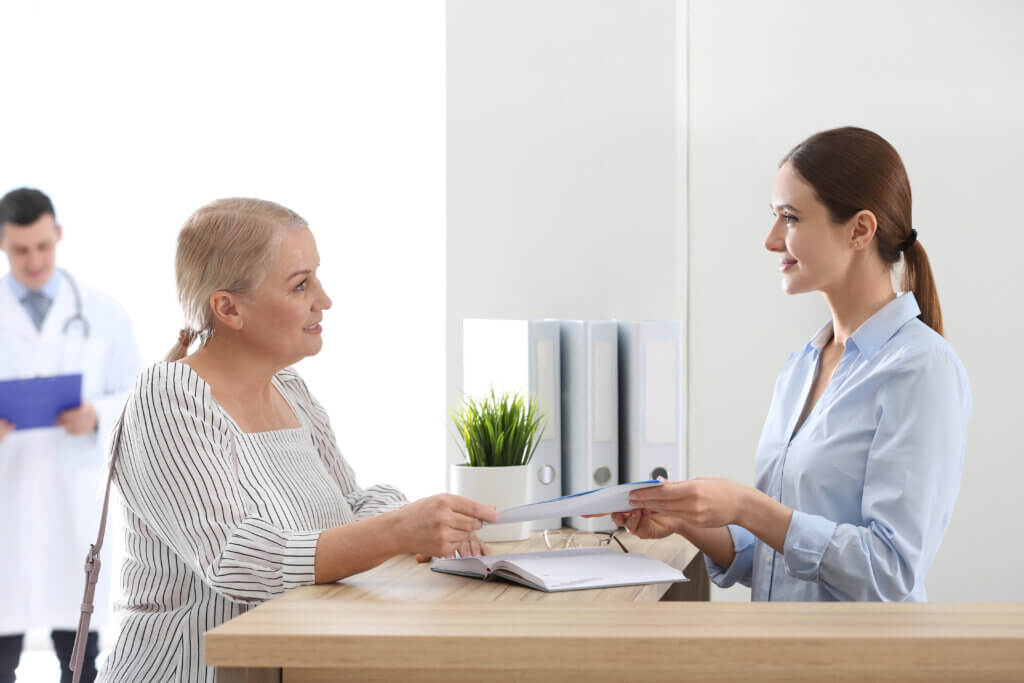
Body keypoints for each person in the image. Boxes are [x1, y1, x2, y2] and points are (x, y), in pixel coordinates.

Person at [96, 198, 496, 682]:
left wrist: (415, 519)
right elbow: (237, 561)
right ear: (228, 308)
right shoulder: (169, 397)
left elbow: (348, 506)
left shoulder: (288, 388)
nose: (323, 300)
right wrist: (397, 529)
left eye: (317, 278)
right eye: (300, 284)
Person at [615, 127, 971, 601]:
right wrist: (687, 521)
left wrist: (745, 505)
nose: (769, 240)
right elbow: (771, 559)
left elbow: (889, 571)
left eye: (790, 218)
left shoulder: (922, 369)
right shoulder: (802, 366)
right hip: (780, 657)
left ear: (860, 229)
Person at [0, 188, 141, 683]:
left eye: (43, 245)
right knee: (1, 652)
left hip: (71, 498)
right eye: (20, 250)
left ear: (58, 235)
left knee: (78, 655)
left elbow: (138, 395)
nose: (34, 260)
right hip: (7, 503)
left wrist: (96, 414)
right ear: (2, 245)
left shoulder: (103, 313)